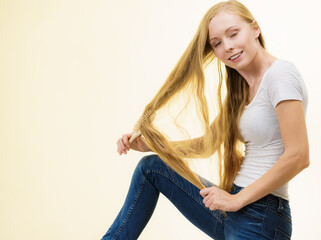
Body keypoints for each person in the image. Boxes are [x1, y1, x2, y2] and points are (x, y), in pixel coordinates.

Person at [101, 0, 309, 239]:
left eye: (233, 34)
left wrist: (236, 200)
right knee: (151, 168)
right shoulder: (240, 91)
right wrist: (150, 145)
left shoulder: (281, 74)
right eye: (217, 43)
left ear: (255, 29)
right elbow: (207, 144)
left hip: (261, 216)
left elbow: (299, 156)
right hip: (233, 208)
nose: (228, 47)